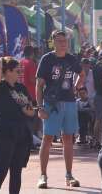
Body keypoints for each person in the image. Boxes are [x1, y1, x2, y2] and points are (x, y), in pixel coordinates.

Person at [36, 30, 85, 189]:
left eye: (65, 41)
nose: (63, 43)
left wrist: (77, 86)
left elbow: (82, 73)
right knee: (48, 138)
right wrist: (40, 107)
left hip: (69, 102)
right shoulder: (47, 59)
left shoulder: (72, 59)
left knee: (68, 139)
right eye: (59, 41)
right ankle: (43, 175)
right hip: (52, 104)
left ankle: (69, 175)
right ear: (53, 42)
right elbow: (39, 85)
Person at [0, 56, 35, 194]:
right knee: (1, 171)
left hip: (21, 132)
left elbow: (31, 112)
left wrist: (25, 109)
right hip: (4, 132)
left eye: (21, 71)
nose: (20, 74)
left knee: (16, 171)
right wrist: (5, 58)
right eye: (17, 71)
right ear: (7, 71)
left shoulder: (22, 88)